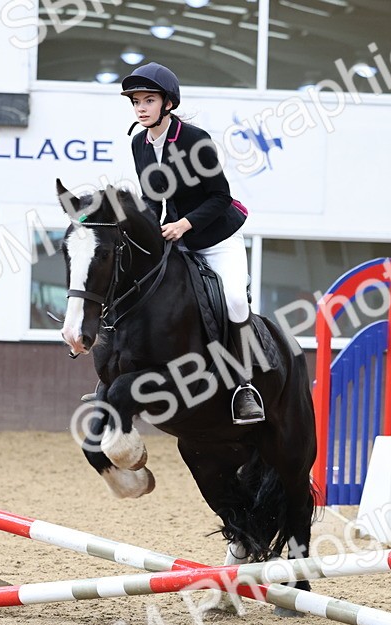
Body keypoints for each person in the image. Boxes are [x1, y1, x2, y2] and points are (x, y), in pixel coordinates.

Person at [120, 62, 265, 425]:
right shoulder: (139, 143)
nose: (140, 107)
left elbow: (220, 197)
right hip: (177, 235)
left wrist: (183, 224)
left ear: (167, 103)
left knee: (233, 299)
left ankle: (244, 385)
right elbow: (152, 199)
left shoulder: (194, 140)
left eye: (148, 100)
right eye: (136, 101)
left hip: (218, 236)